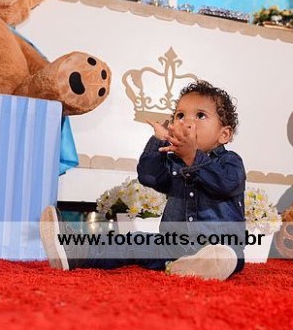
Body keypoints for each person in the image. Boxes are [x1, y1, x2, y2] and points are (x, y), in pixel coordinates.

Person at [40, 80, 247, 280]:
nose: (186, 122)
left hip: (219, 244)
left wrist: (193, 157)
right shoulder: (175, 162)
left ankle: (206, 265)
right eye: (180, 115)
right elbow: (149, 176)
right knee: (132, 242)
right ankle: (77, 250)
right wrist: (158, 141)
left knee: (225, 255)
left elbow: (226, 184)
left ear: (224, 134)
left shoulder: (230, 162)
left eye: (200, 115)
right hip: (172, 245)